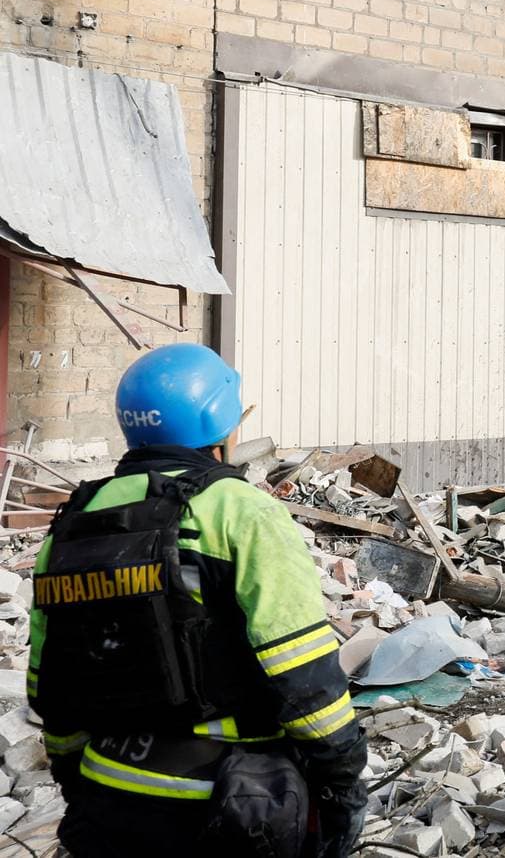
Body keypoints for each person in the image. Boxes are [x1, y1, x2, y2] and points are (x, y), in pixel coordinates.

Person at [31, 344, 367, 857]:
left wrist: (75, 779)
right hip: (230, 804)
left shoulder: (74, 521)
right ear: (221, 422)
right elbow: (301, 672)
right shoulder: (243, 513)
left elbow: (50, 680)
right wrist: (342, 780)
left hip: (106, 799)